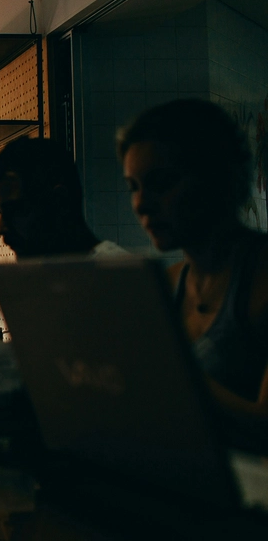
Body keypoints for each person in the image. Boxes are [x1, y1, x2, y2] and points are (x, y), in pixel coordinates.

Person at [119, 98, 268, 447]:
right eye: (134, 187)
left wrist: (170, 374)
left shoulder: (261, 278)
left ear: (218, 176)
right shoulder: (166, 286)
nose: (142, 203)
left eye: (163, 182)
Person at [0, 137, 128, 258]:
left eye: (14, 210)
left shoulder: (119, 278)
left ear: (59, 202)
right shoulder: (49, 280)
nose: (0, 229)